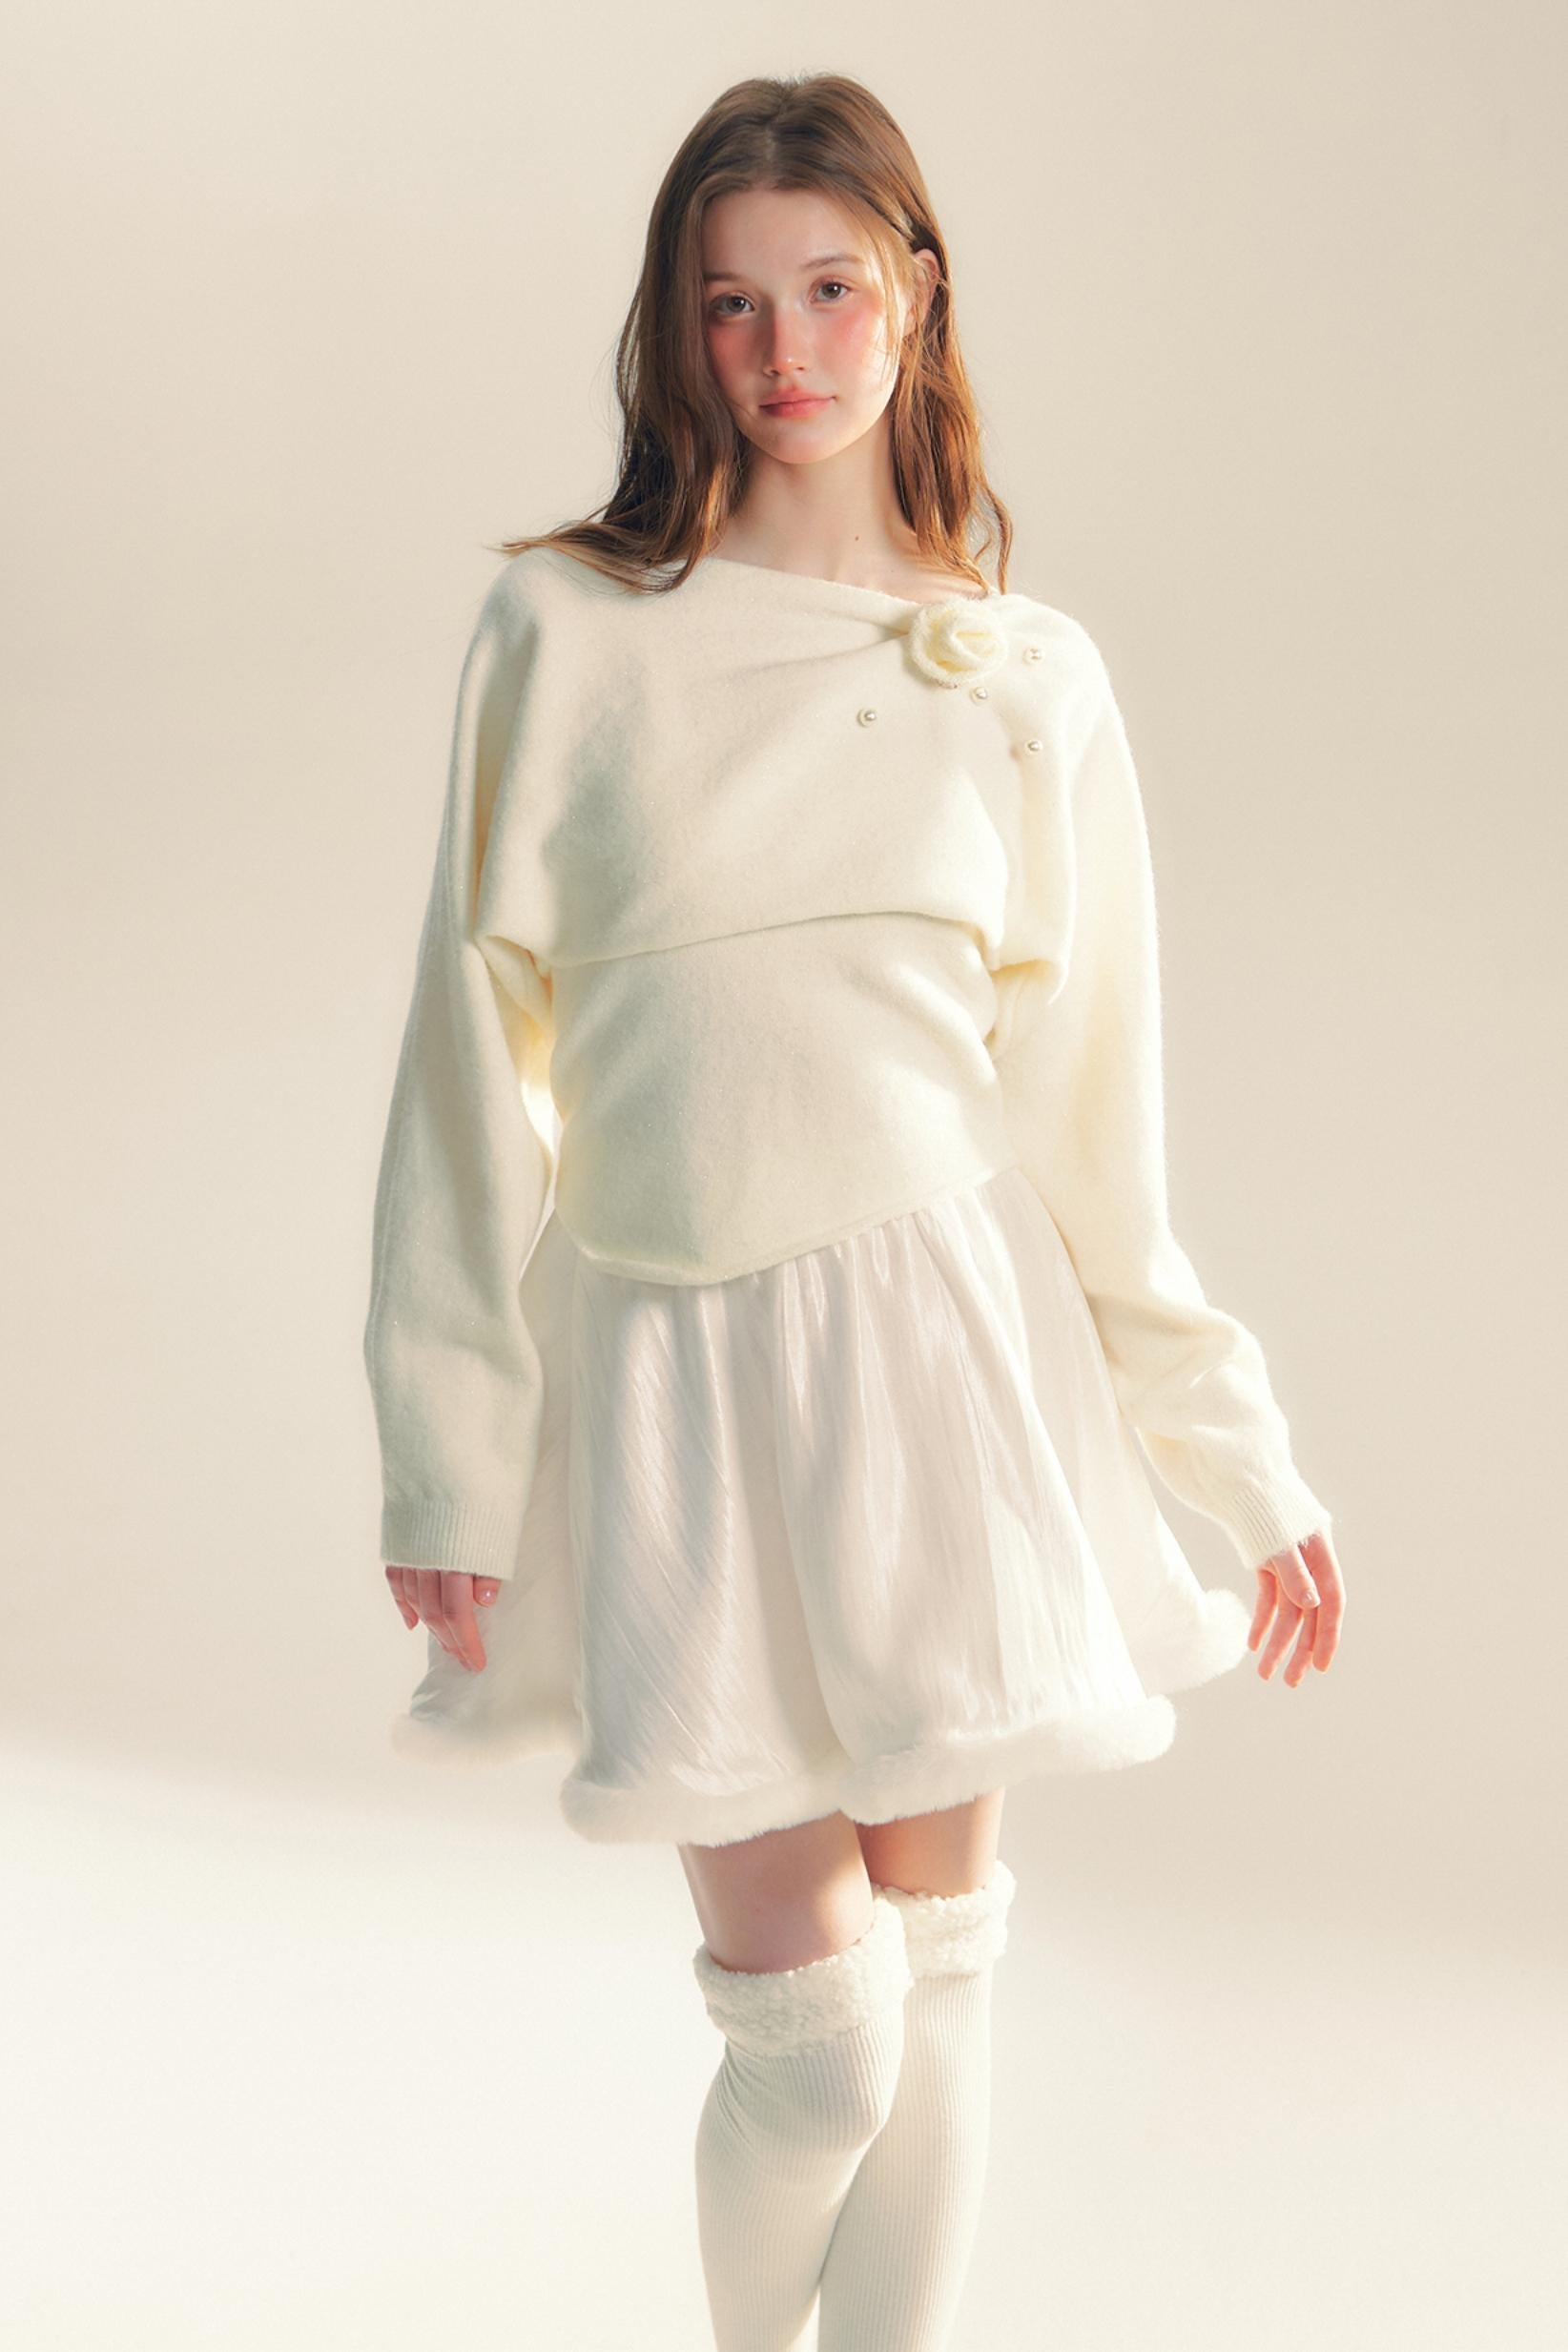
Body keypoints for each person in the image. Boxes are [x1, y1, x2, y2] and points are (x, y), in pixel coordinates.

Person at [361, 70, 1346, 2352]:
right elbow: (460, 1063)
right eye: (731, 305)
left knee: (943, 1977)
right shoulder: (563, 632)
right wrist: (447, 1446)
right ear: (676, 328)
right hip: (678, 1370)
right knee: (817, 2037)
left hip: (941, 1363)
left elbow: (1097, 1127)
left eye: (826, 290)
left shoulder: (1025, 676)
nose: (784, 351)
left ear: (914, 294)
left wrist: (1241, 1458)